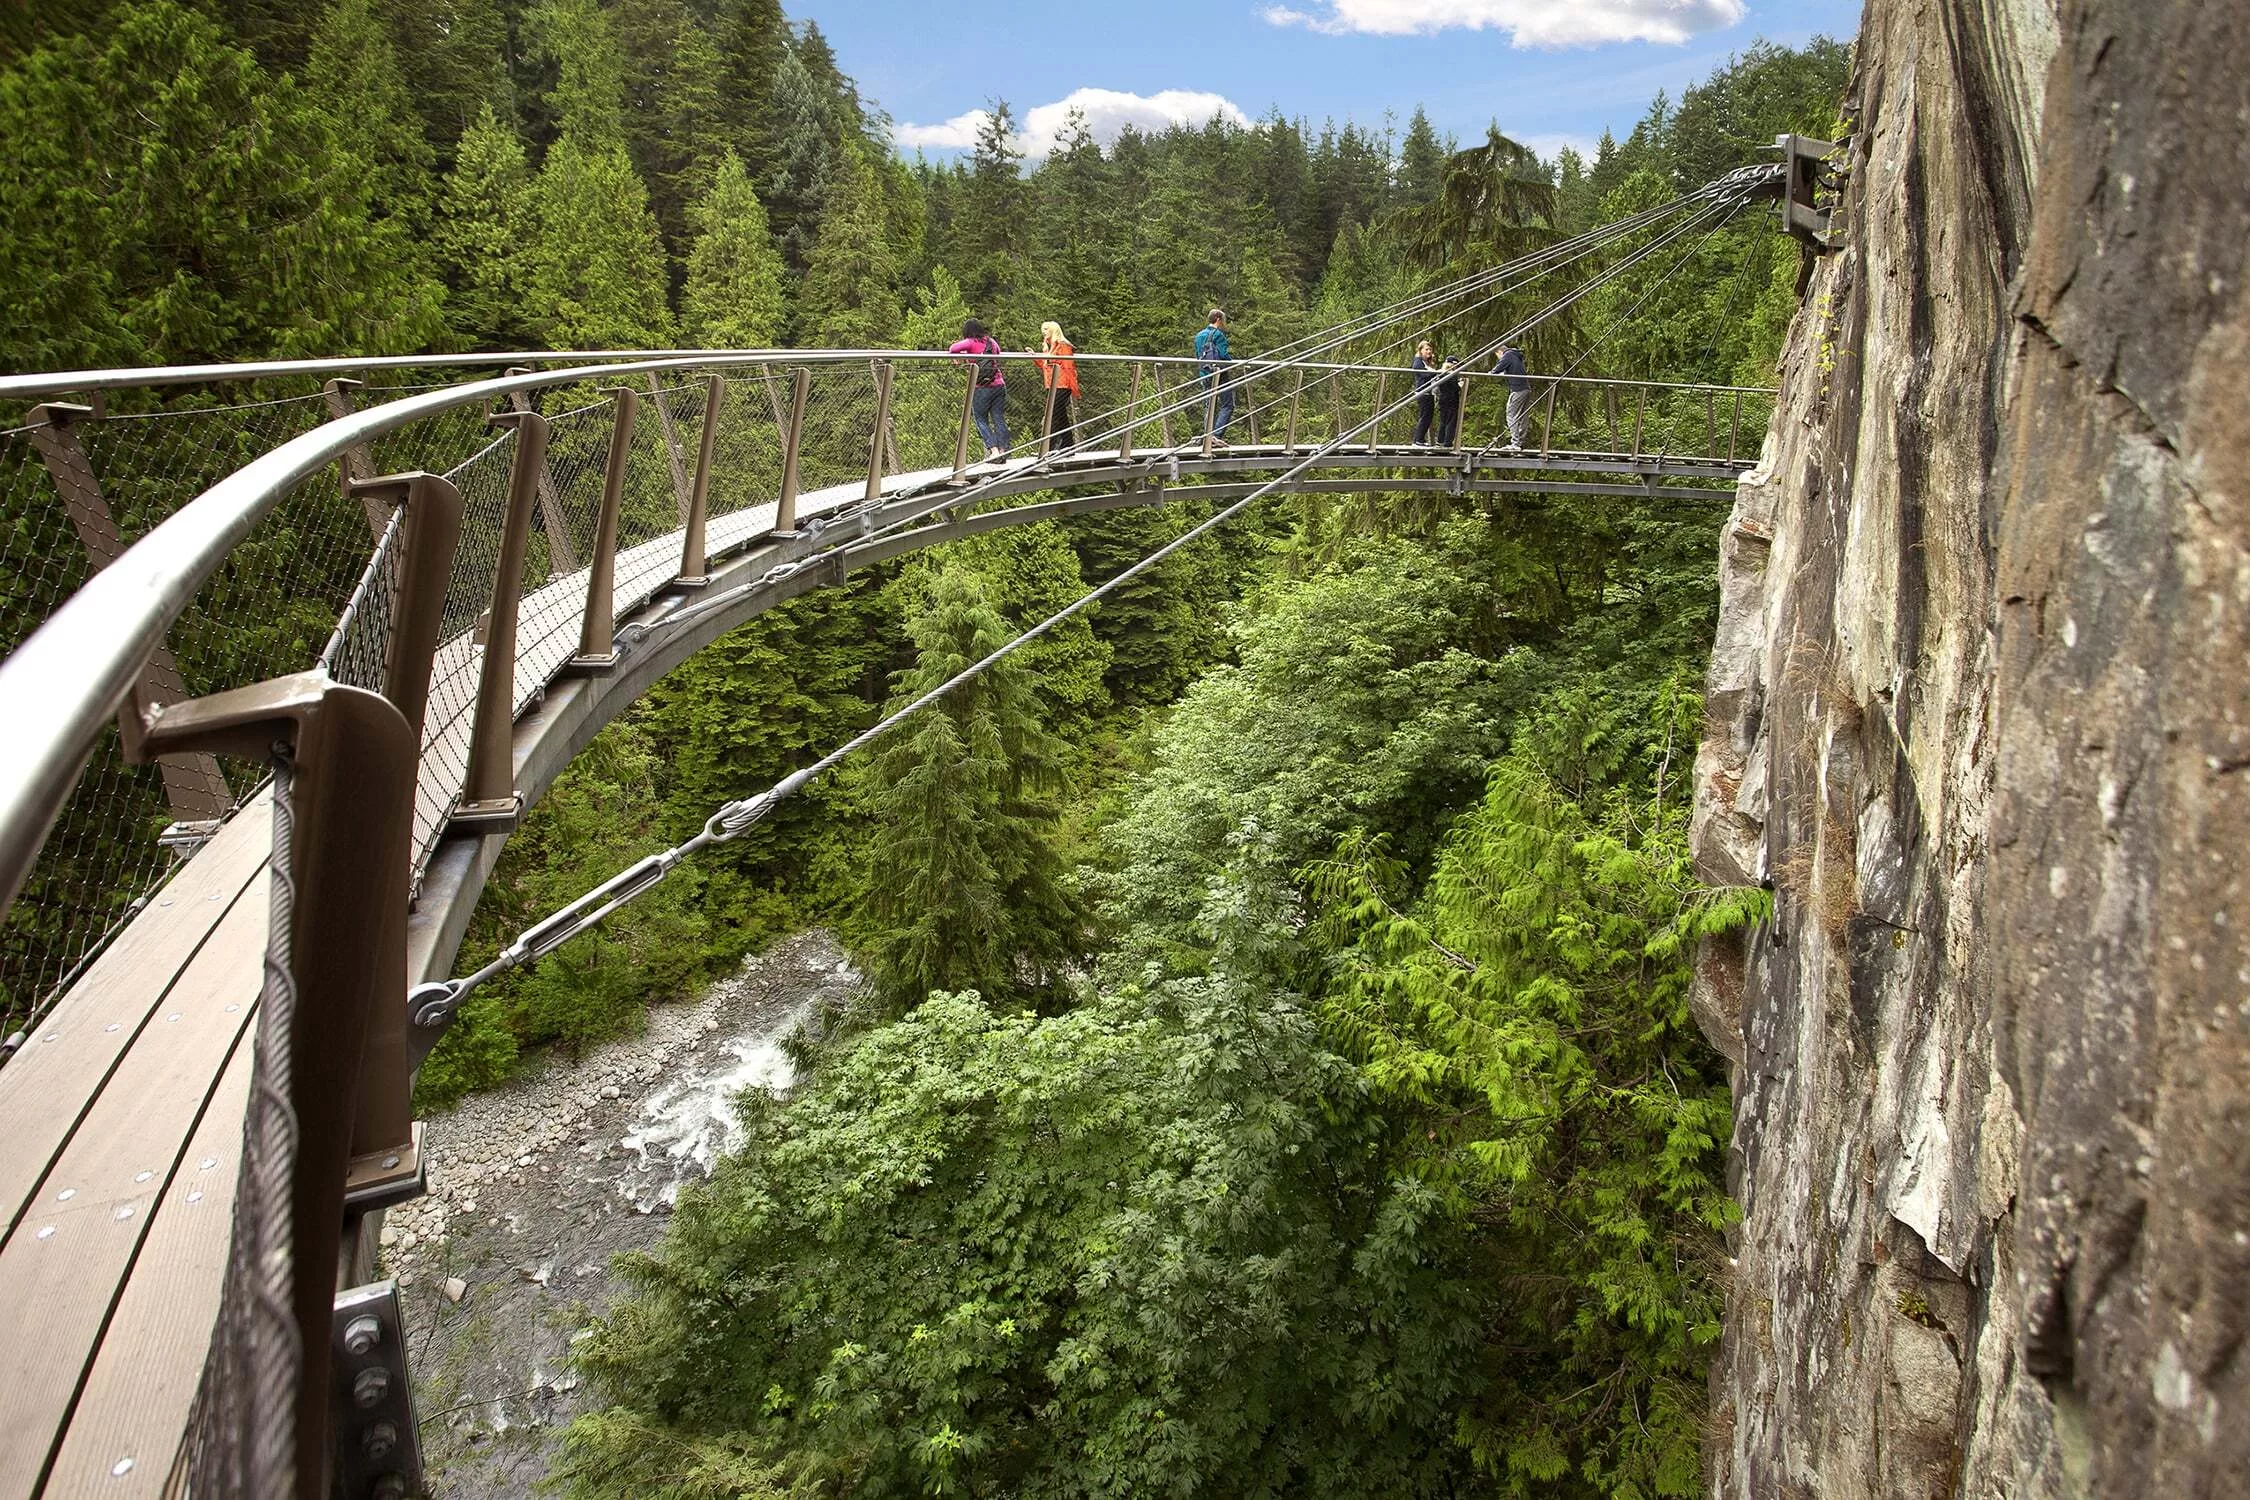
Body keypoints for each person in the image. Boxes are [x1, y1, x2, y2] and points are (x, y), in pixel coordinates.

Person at [949, 318, 1010, 461]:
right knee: (998, 418)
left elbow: (952, 348)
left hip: (982, 387)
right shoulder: (992, 342)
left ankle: (993, 451)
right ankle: (1003, 451)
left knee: (980, 419)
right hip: (999, 384)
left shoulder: (970, 342)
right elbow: (998, 353)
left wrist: (959, 356)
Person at [1036, 320, 1081, 450]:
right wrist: (1037, 355)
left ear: (1052, 331)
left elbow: (1068, 366)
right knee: (1060, 416)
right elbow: (1046, 366)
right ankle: (1068, 445)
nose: (1043, 334)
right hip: (1053, 385)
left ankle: (1048, 448)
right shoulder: (1052, 348)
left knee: (1053, 415)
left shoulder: (1063, 346)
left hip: (1062, 384)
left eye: (1046, 331)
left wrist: (1073, 386)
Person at [1193, 308, 1234, 445]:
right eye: (1223, 320)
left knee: (1209, 405)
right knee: (1228, 404)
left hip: (1204, 374)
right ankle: (1216, 435)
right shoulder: (1218, 335)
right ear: (1218, 319)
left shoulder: (1199, 336)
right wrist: (1232, 362)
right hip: (1219, 374)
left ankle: (1207, 436)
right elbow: (1223, 355)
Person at [1495, 341, 1531, 452]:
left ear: (1499, 352)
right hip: (1525, 388)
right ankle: (1519, 442)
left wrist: (1491, 372)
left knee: (1511, 414)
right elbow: (1510, 370)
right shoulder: (1515, 355)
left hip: (1517, 389)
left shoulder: (1507, 355)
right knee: (1523, 415)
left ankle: (1515, 443)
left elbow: (1497, 369)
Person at [1411, 339, 1438, 445]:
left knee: (1428, 417)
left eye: (1430, 350)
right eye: (1426, 349)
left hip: (1429, 392)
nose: (1429, 352)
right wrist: (1437, 373)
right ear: (1421, 350)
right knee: (1425, 416)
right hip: (1423, 392)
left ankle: (1420, 439)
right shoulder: (1418, 362)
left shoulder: (1426, 363)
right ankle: (1417, 440)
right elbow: (1424, 375)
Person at [1434, 354, 1463, 448]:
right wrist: (1460, 386)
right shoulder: (1451, 374)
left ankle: (1440, 440)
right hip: (1451, 400)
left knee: (1443, 420)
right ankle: (1447, 442)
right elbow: (1454, 388)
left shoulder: (1441, 373)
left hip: (1443, 399)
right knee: (1451, 421)